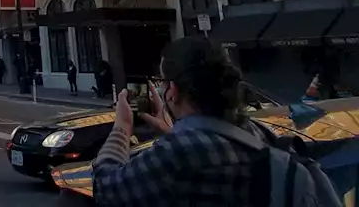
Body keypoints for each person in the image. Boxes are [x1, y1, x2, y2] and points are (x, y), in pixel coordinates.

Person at [91, 36, 315, 205]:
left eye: (163, 80)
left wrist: (122, 126)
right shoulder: (258, 132)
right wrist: (170, 132)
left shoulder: (179, 153)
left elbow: (104, 187)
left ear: (173, 91)